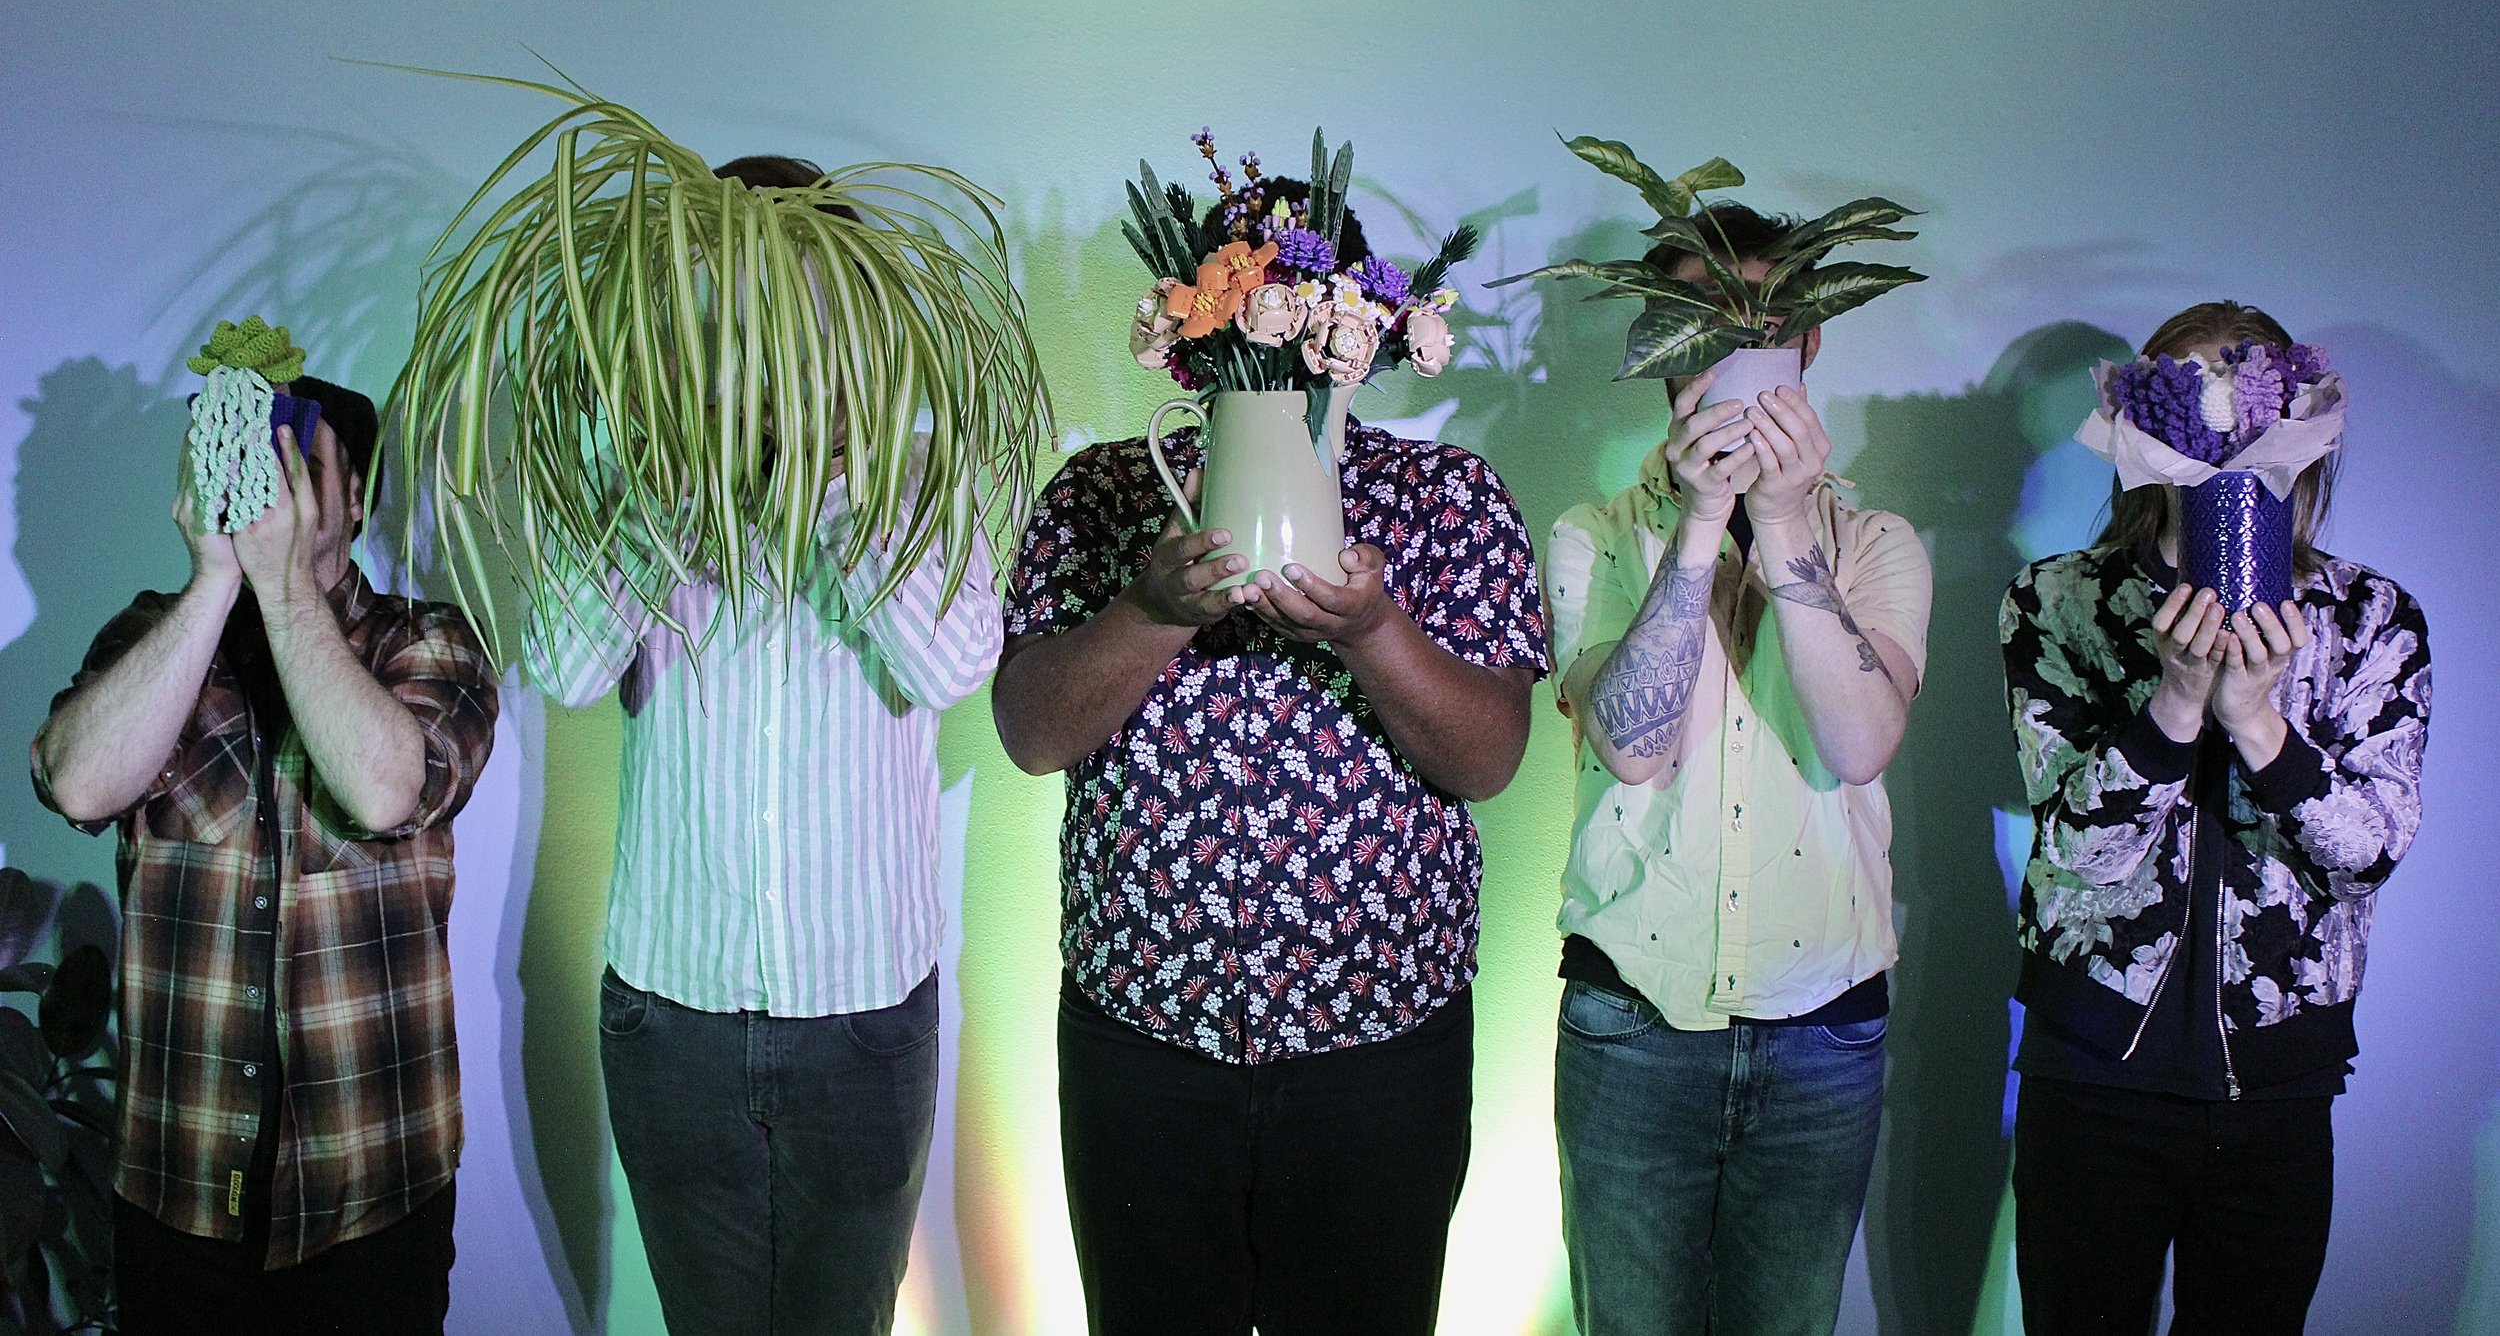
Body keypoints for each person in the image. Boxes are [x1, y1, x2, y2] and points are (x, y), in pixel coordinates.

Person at [992, 185, 1547, 1336]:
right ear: (1192, 333)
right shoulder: (1101, 492)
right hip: (1142, 1036)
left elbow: (1489, 758)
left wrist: (1372, 631)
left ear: (1363, 332)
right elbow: (1031, 733)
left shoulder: (1446, 498)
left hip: (1381, 1041)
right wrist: (1150, 610)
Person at [521, 156, 1000, 1335]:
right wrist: (670, 477)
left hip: (863, 1009)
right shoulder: (633, 470)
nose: (766, 333)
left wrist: (832, 472)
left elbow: (949, 667)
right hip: (671, 1012)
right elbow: (565, 668)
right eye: (735, 300)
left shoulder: (918, 471)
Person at [32, 373, 498, 1334]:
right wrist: (214, 579)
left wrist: (283, 590)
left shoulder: (428, 641)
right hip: (179, 1191)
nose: (264, 488)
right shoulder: (150, 636)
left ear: (354, 498)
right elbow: (77, 783)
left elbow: (387, 789)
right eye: (243, 462)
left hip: (370, 1194)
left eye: (296, 465)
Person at [1542, 202, 1933, 1335]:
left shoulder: (1878, 543)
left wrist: (1787, 522)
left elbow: (1859, 744)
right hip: (1632, 1018)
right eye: (1696, 324)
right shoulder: (1592, 534)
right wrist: (1703, 522)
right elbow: (1632, 748)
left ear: (1804, 346)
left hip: (1823, 1025)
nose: (1727, 356)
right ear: (1662, 347)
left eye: (1754, 326)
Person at [2001, 301, 2430, 1333]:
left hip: (2279, 1083)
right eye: (2192, 396)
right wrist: (2177, 700)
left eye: (2249, 395)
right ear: (2144, 424)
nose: (2224, 424)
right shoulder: (2058, 601)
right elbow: (2076, 851)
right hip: (2092, 1074)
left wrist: (2258, 724)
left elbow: (2370, 851)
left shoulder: (2370, 616)